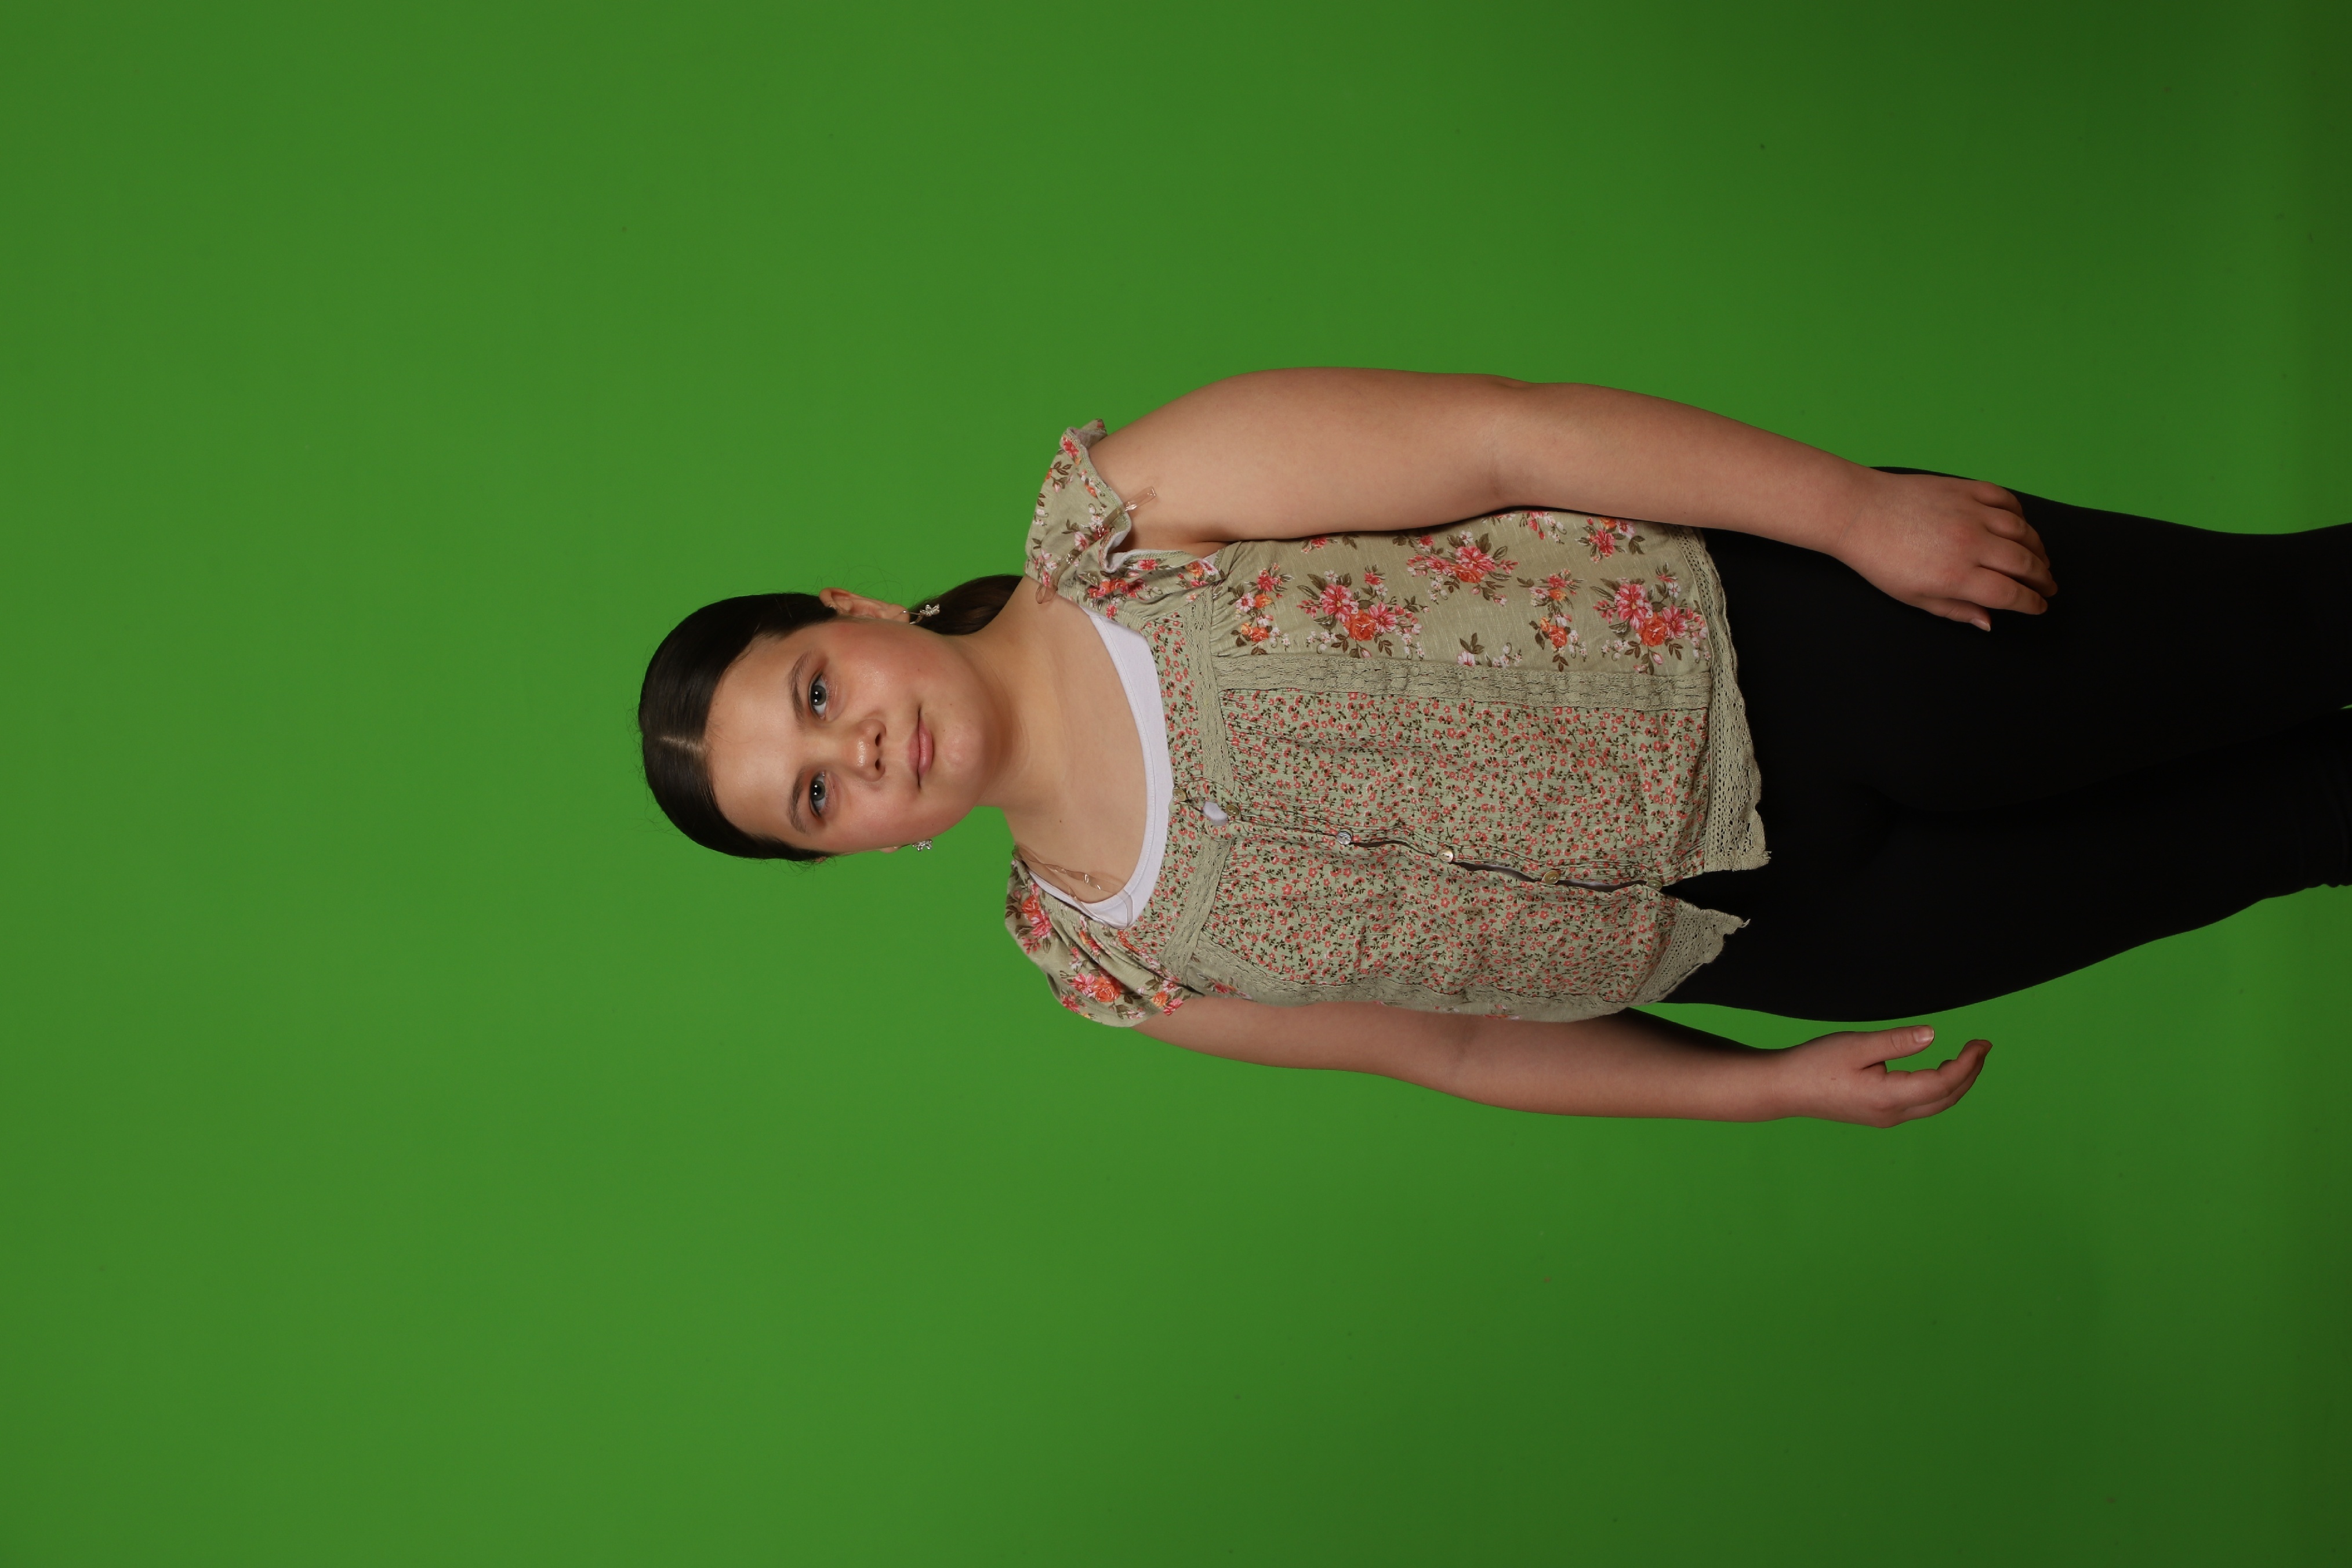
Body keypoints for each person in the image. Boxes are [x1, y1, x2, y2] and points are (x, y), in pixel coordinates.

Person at [638, 371, 2350, 1127]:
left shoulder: (1134, 515)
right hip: (1805, 935)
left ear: (854, 610)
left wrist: (1852, 510)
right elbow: (1453, 1048)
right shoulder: (1106, 959)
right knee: (2295, 826)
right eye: (816, 799)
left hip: (1811, 656)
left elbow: (1503, 438)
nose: (864, 751)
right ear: (860, 849)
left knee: (2302, 630)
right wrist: (1758, 1088)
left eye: (815, 692)